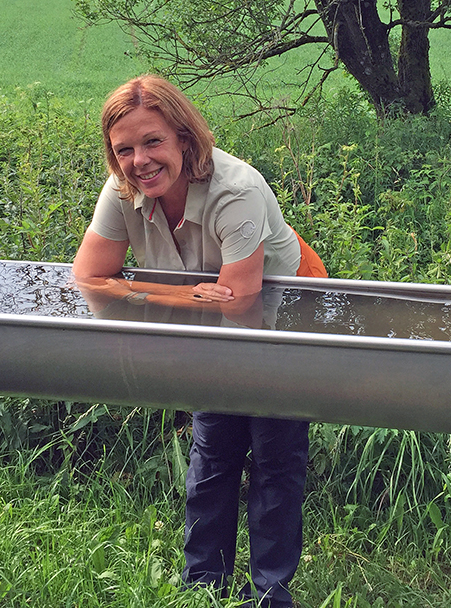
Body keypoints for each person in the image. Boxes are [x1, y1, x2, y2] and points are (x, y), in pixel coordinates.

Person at [72, 75, 326, 608]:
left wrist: (136, 289)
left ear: (185, 138)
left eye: (153, 141)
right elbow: (89, 276)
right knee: (213, 449)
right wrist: (175, 296)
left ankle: (271, 593)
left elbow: (239, 299)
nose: (139, 160)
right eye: (124, 149)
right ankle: (202, 587)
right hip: (207, 325)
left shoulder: (238, 189)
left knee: (276, 455)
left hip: (286, 314)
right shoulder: (122, 192)